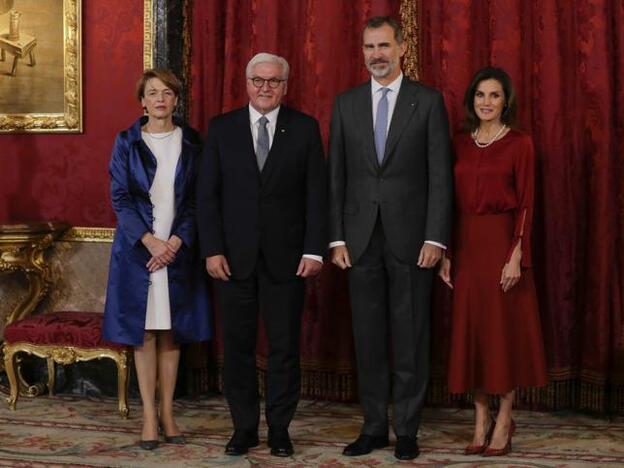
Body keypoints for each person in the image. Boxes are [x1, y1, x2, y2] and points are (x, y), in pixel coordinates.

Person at [328, 16, 453, 460]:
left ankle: (408, 429)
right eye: (368, 47)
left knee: (410, 337)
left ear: (401, 48)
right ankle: (375, 427)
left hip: (412, 240)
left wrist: (436, 238)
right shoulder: (345, 104)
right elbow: (336, 177)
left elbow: (440, 177)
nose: (376, 55)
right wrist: (337, 238)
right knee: (368, 339)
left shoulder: (428, 102)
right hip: (359, 241)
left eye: (383, 46)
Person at [196, 52, 327, 457]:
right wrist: (212, 249)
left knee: (285, 347)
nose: (265, 87)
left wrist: (314, 250)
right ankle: (244, 427)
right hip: (232, 260)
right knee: (236, 347)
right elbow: (207, 197)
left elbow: (317, 196)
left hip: (287, 260)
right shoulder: (221, 129)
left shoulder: (305, 128)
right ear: (246, 83)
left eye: (273, 81)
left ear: (285, 87)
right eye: (258, 80)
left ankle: (280, 429)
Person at [438, 66, 548, 457]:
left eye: (495, 95)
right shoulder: (459, 143)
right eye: (480, 95)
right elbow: (447, 204)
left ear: (506, 101)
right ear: (471, 101)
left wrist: (517, 254)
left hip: (503, 246)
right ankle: (479, 420)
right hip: (466, 246)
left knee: (504, 335)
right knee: (475, 335)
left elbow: (526, 203)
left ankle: (504, 419)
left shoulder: (520, 143)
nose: (486, 102)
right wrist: (446, 254)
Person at [102, 68, 211, 450]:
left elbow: (199, 199)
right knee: (144, 331)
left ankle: (168, 412)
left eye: (167, 92)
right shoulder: (126, 142)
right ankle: (148, 414)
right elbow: (120, 197)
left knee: (172, 331)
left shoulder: (194, 142)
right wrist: (150, 242)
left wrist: (176, 242)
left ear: (177, 100)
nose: (160, 99)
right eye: (152, 92)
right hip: (138, 252)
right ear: (142, 101)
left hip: (178, 250)